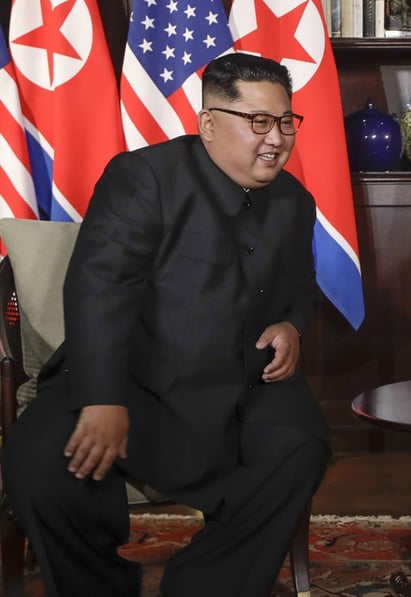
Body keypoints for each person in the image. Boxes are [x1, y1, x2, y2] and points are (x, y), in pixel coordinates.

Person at [2, 53, 330, 596]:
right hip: (130, 378)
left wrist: (292, 325)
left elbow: (299, 288)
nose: (275, 138)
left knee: (301, 445)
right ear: (208, 123)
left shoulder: (295, 200)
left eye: (285, 121)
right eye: (258, 122)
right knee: (42, 470)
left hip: (242, 385)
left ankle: (205, 584)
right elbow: (98, 288)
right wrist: (102, 399)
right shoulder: (142, 177)